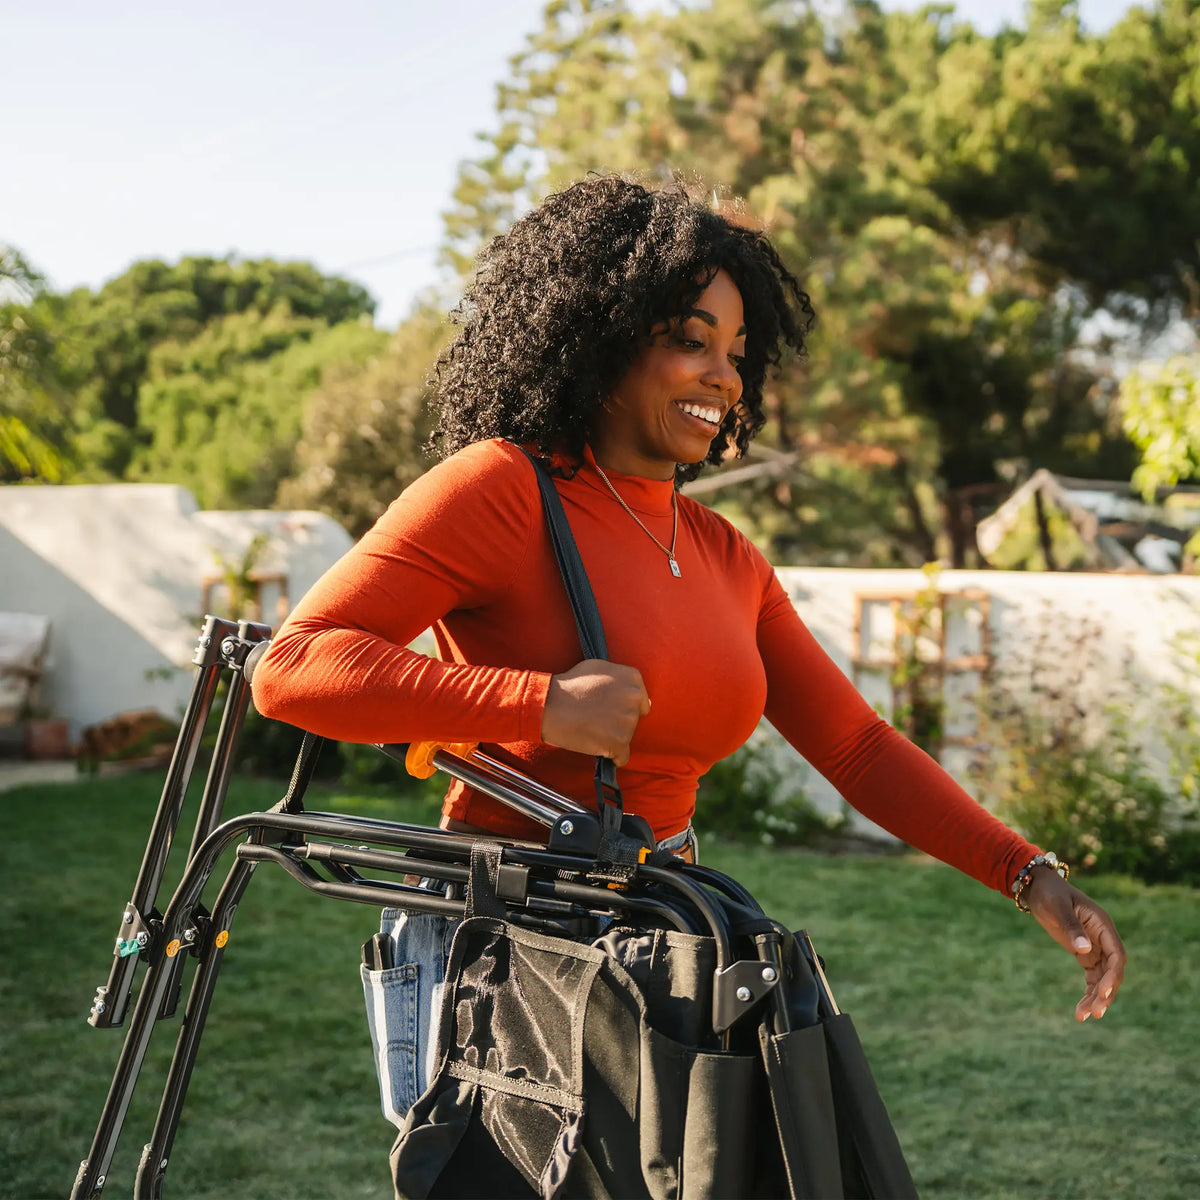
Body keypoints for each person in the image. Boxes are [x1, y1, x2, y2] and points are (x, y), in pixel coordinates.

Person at [251, 175, 1125, 1127]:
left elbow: (857, 747)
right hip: (509, 945)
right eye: (689, 339)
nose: (722, 375)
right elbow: (293, 668)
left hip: (664, 939)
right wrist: (536, 702)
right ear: (602, 335)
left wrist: (1027, 873)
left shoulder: (725, 554)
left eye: (736, 352)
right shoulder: (502, 489)